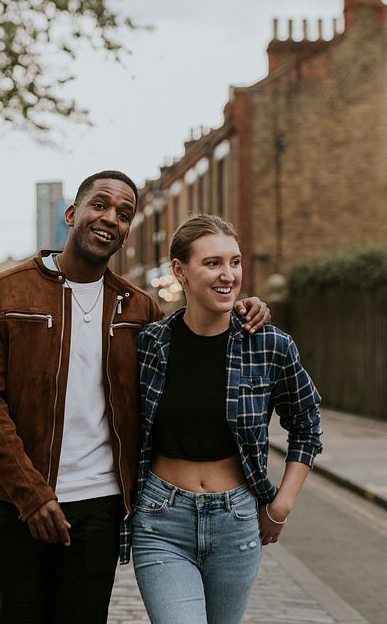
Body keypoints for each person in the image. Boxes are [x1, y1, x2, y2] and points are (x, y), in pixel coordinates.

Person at [0, 171, 272, 623]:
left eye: (124, 213)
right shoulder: (4, 293)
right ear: (72, 214)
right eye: (100, 205)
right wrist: (30, 495)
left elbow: (194, 333)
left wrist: (242, 306)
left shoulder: (139, 308)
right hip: (16, 502)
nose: (110, 217)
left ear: (127, 231)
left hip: (99, 507)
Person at [125, 214, 323, 624]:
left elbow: (305, 424)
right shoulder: (150, 344)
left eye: (234, 262)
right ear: (180, 271)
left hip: (236, 522)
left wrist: (281, 505)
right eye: (212, 263)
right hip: (162, 521)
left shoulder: (269, 345)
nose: (228, 275)